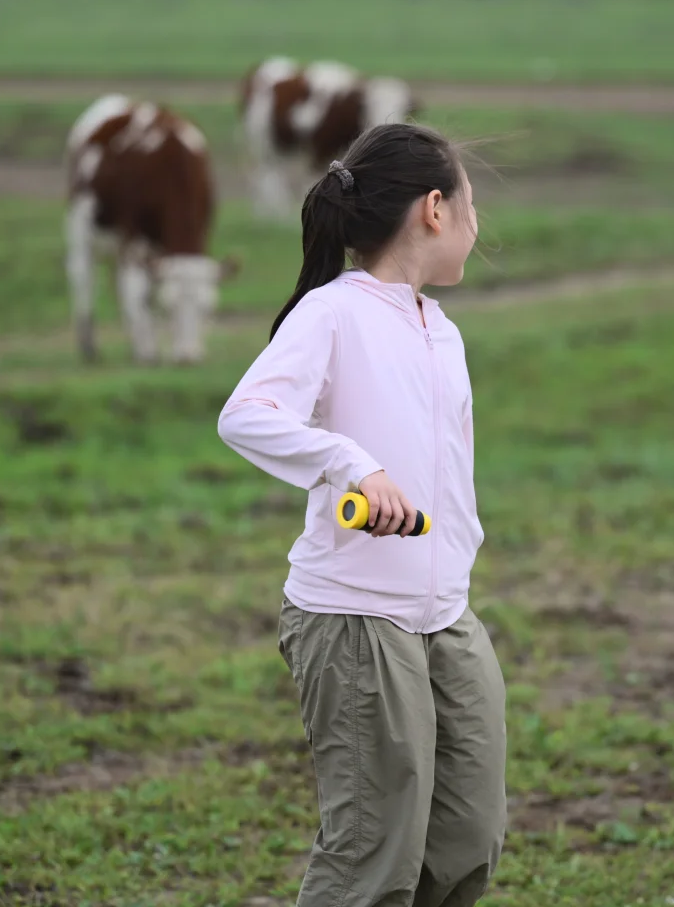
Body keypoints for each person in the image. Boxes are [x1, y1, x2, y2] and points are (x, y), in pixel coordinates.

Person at [217, 123, 504, 907]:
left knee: (465, 844)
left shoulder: (440, 331)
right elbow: (246, 415)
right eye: (474, 208)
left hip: (443, 613)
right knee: (373, 860)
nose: (479, 231)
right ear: (436, 210)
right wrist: (351, 464)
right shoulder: (334, 312)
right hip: (354, 619)